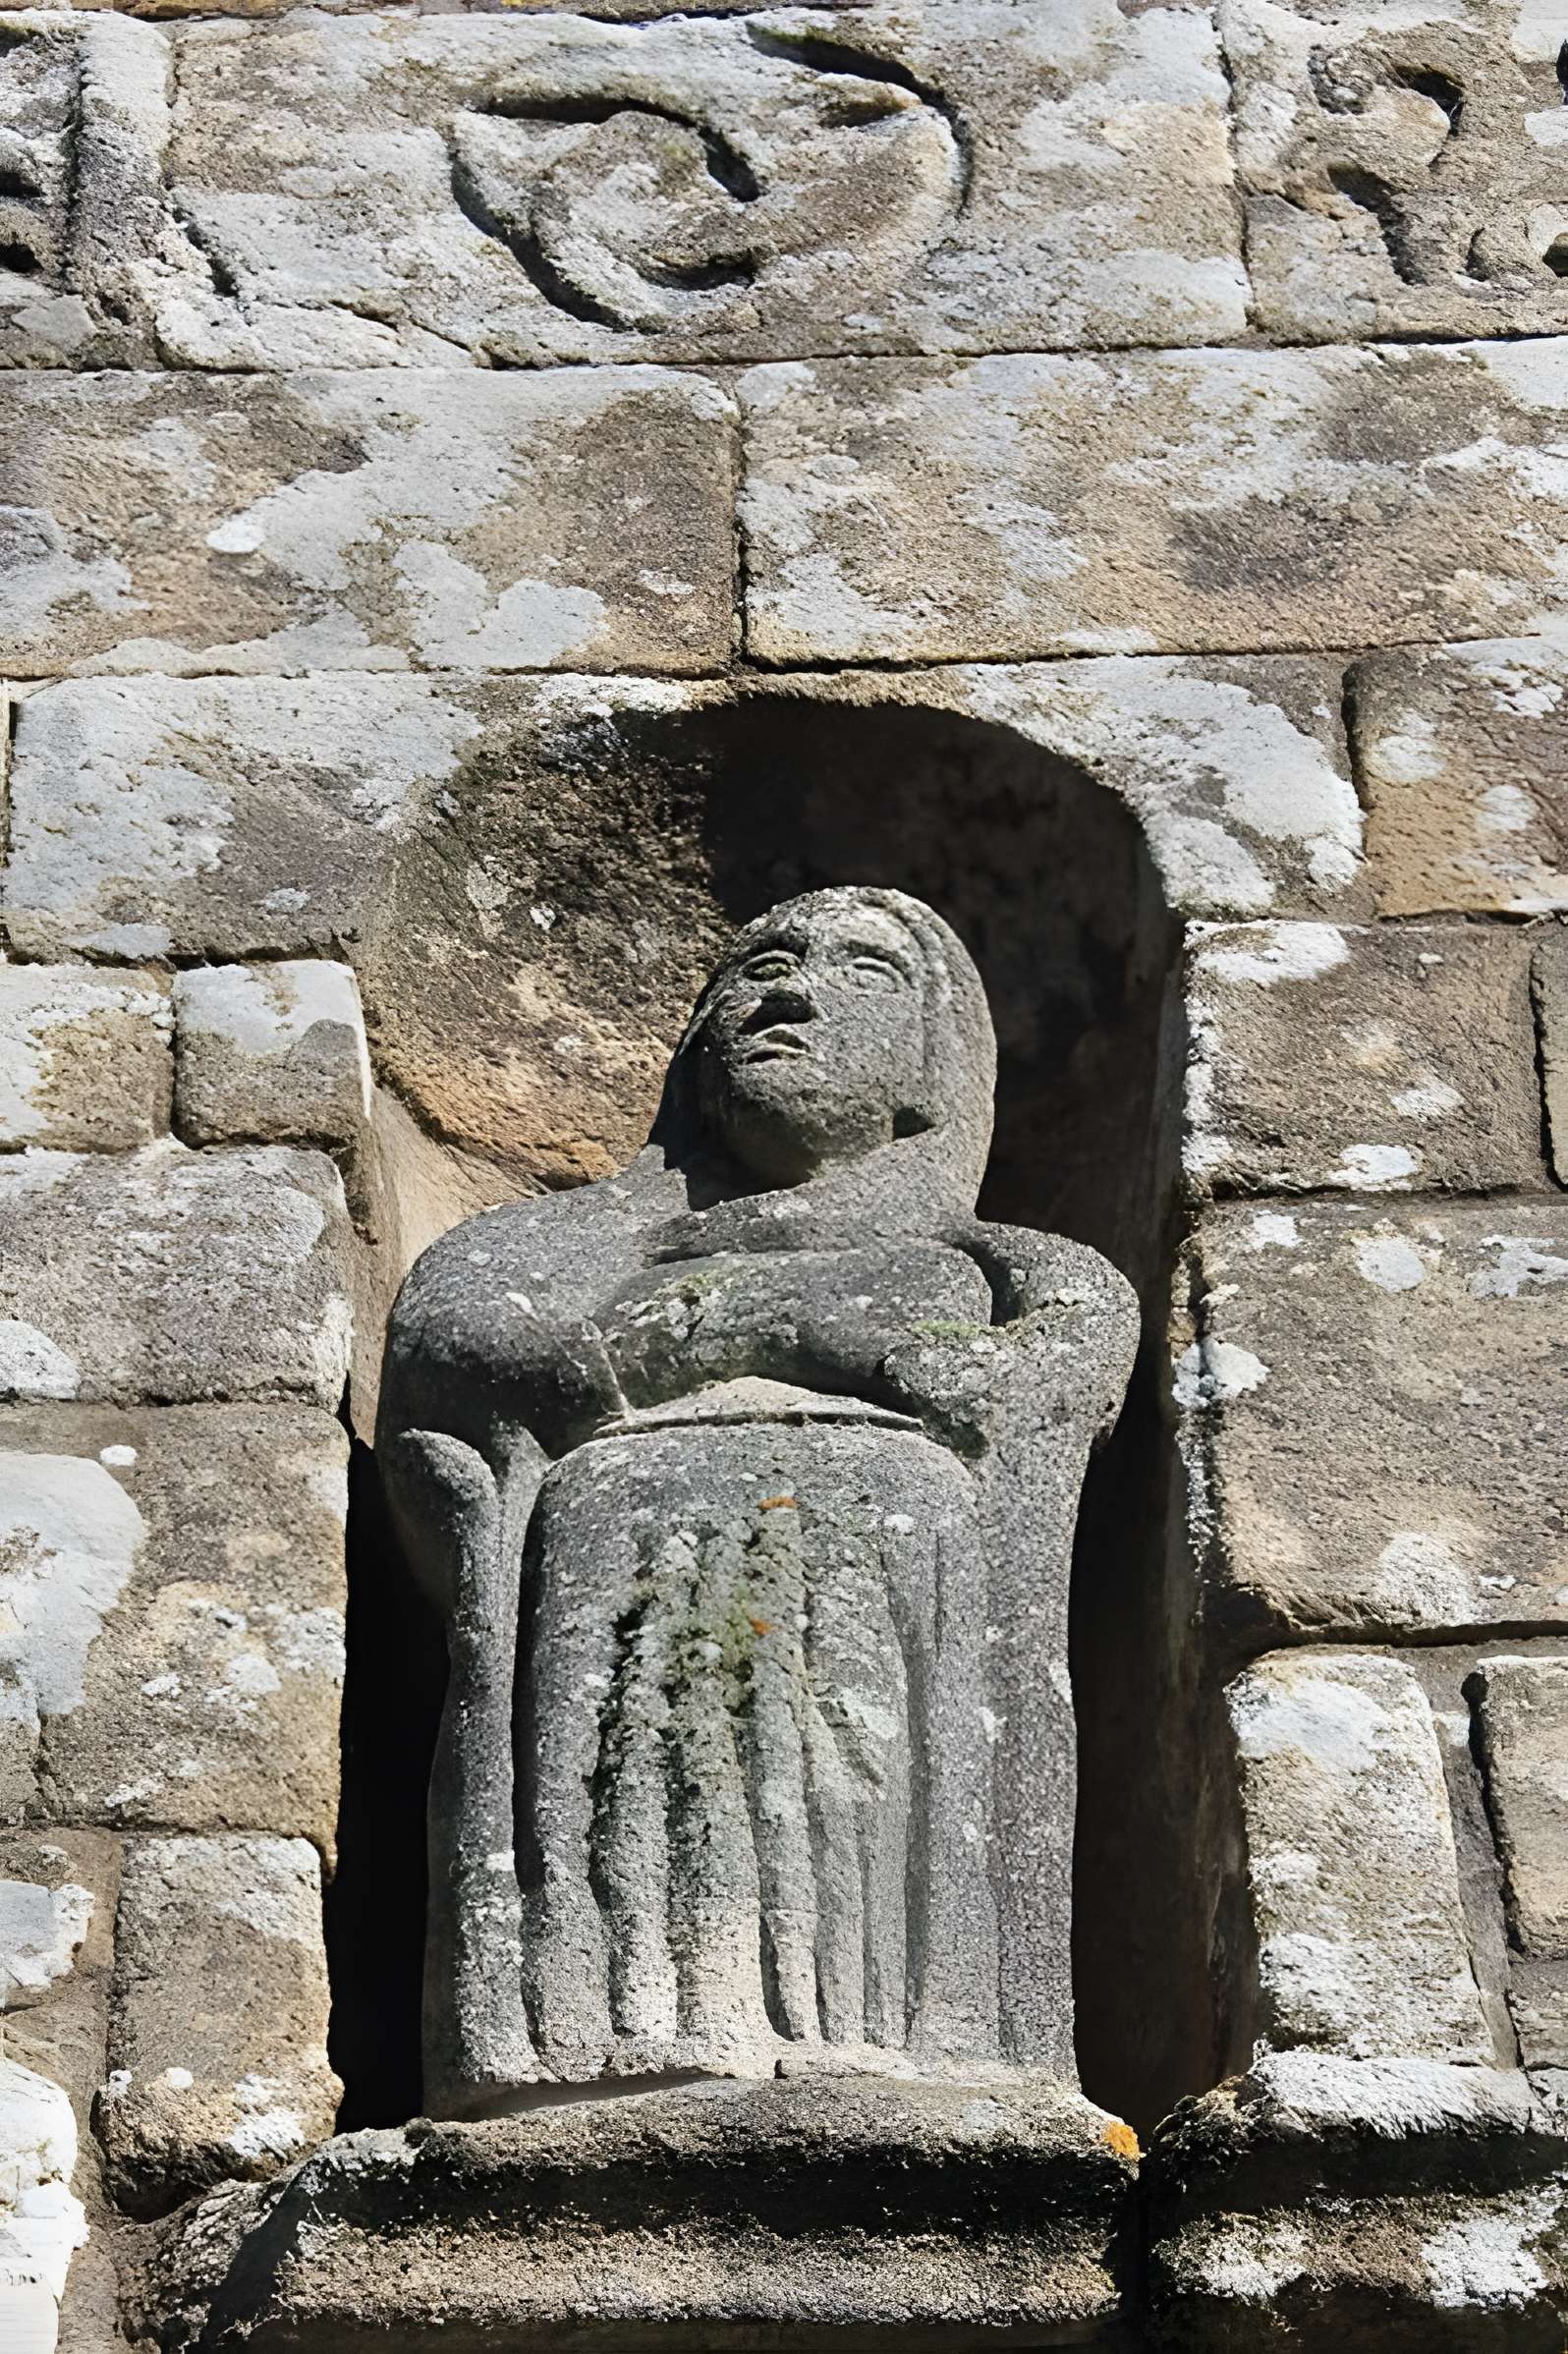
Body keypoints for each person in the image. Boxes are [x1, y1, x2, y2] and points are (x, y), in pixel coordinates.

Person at [378, 886, 1137, 2115]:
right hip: (615, 1596)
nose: (788, 990)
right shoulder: (582, 1242)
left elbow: (1018, 1392)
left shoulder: (1023, 1267)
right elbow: (457, 1336)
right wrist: (785, 1321)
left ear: (934, 1066)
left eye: (865, 973)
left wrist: (716, 1338)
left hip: (885, 1622)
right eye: (761, 966)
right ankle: (591, 2037)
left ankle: (903, 2042)